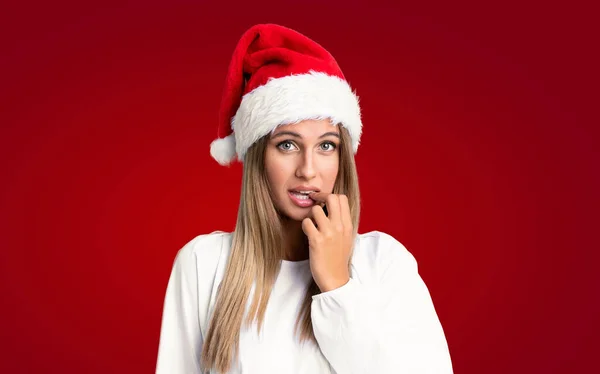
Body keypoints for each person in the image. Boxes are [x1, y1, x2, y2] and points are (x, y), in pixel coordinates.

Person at [155, 23, 454, 374]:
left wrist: (337, 285)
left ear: (342, 157)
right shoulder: (202, 264)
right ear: (258, 157)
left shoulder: (385, 263)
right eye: (287, 144)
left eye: (326, 145)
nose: (308, 170)